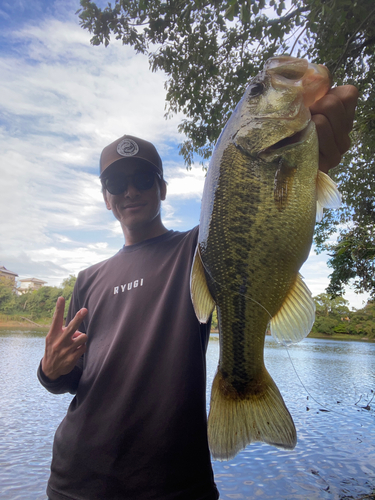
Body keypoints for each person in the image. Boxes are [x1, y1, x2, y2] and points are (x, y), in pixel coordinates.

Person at [38, 85, 358, 500]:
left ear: (162, 188)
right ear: (105, 198)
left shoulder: (200, 249)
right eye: (117, 182)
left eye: (142, 179)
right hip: (75, 479)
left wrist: (299, 163)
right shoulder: (88, 278)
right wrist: (50, 371)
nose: (129, 190)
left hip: (172, 484)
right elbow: (73, 381)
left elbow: (251, 216)